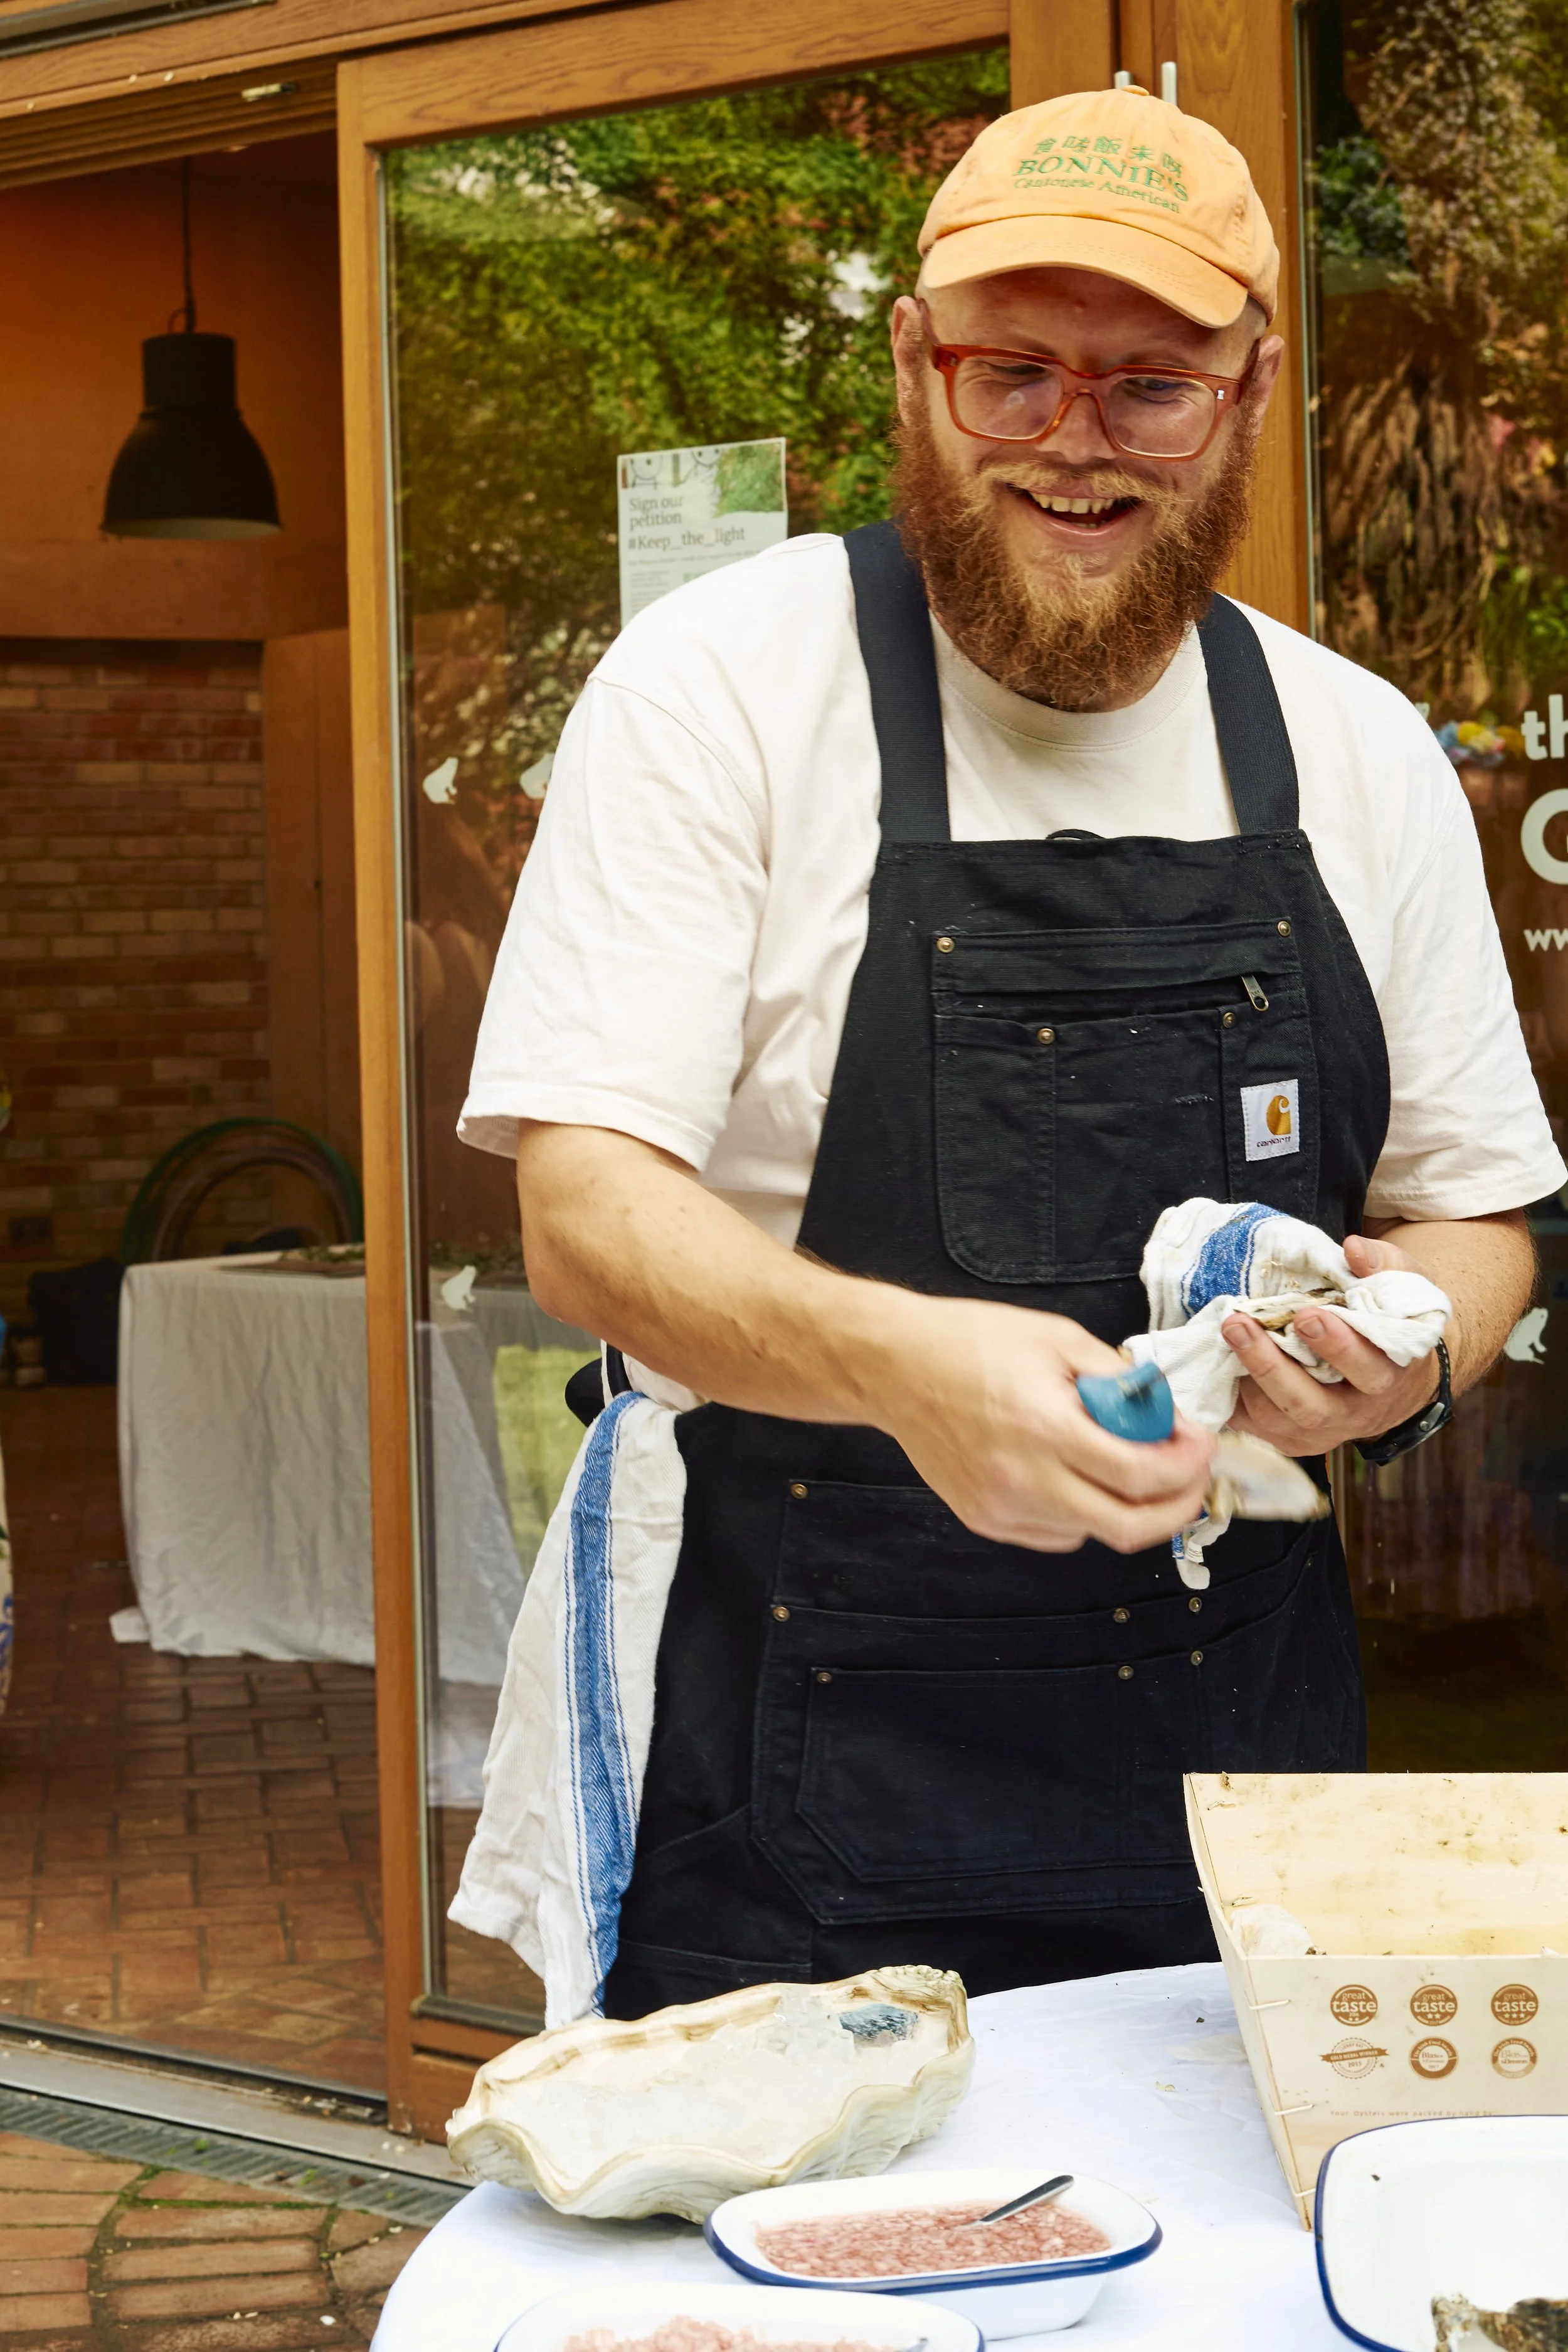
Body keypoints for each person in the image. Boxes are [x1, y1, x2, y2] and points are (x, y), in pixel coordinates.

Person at [457, 85, 1562, 2016]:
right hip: (795, 1796)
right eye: (1013, 372)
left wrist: (1392, 1365)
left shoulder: (1354, 746)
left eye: (1149, 382)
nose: (1075, 442)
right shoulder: (722, 688)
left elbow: (1477, 1217)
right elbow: (583, 1216)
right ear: (912, 364)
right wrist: (907, 1367)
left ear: (1249, 388)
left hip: (1247, 1793)